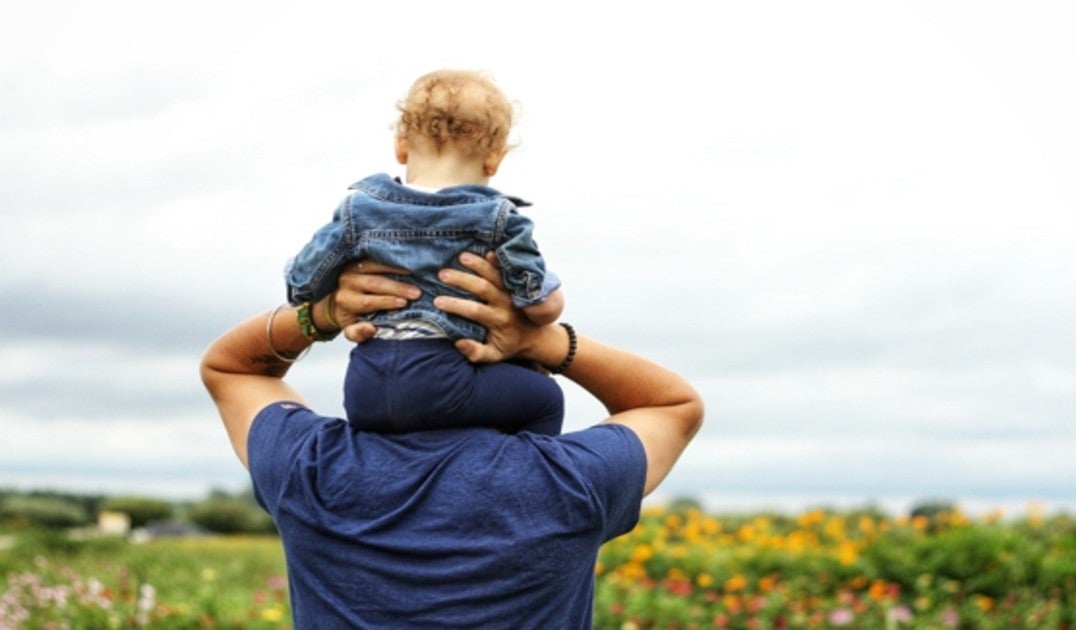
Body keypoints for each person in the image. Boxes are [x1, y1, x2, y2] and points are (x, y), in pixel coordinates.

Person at [200, 253, 704, 628]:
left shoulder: (311, 469)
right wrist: (543, 340)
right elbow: (672, 405)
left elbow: (230, 368)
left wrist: (325, 313)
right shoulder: (570, 482)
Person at [284, 69, 564, 435]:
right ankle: (523, 482)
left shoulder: (359, 210)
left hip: (365, 386)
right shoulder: (498, 219)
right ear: (494, 159)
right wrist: (551, 297)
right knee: (545, 398)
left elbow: (302, 286)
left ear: (401, 146)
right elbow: (538, 305)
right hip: (446, 378)